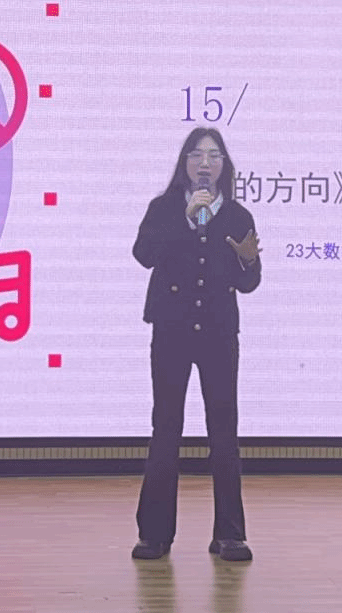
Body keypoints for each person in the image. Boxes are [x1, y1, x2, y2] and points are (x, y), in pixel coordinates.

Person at [131, 127, 262, 562]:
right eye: (197, 154)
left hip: (219, 333)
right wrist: (185, 220)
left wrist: (248, 260)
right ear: (184, 163)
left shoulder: (239, 216)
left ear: (225, 166)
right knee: (166, 428)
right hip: (171, 330)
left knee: (224, 431)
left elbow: (250, 283)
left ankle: (230, 535)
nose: (205, 163)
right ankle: (154, 534)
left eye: (214, 155)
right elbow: (144, 255)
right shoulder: (164, 208)